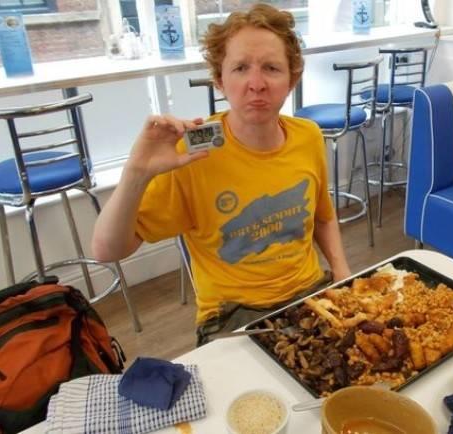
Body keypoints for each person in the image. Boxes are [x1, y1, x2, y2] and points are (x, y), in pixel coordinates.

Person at [91, 4, 351, 344]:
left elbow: (323, 217)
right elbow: (106, 250)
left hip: (309, 294)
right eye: (240, 68)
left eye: (271, 68)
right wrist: (136, 173)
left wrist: (342, 272)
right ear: (219, 80)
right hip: (231, 315)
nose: (256, 84)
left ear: (292, 79)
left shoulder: (308, 136)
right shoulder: (192, 153)